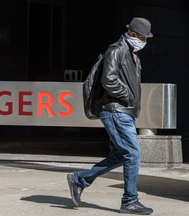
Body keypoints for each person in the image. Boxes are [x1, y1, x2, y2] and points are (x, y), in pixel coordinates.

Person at [67, 17, 154, 215]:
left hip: (123, 111)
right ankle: (129, 201)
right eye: (143, 37)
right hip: (116, 110)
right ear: (132, 34)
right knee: (132, 155)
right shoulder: (116, 50)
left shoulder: (131, 53)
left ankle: (80, 179)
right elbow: (109, 80)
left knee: (118, 156)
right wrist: (128, 97)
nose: (145, 41)